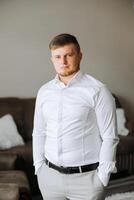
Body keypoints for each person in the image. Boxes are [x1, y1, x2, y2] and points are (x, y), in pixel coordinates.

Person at [32, 33, 119, 200]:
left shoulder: (98, 90)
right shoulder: (44, 92)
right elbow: (39, 132)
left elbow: (110, 137)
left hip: (87, 181)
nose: (63, 61)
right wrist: (39, 168)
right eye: (57, 57)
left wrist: (103, 177)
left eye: (68, 55)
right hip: (50, 178)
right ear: (52, 59)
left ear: (80, 56)